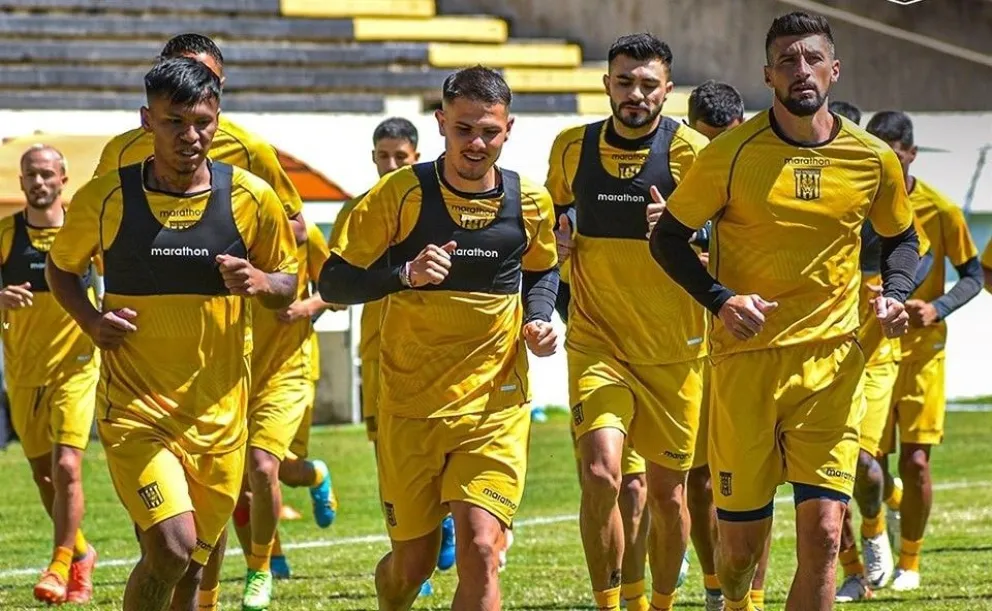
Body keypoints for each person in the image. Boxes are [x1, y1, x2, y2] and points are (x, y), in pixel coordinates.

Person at [651, 11, 920, 611]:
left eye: (812, 59)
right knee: (740, 553)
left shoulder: (872, 159)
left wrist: (896, 294)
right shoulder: (728, 155)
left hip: (831, 367)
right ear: (768, 75)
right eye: (788, 61)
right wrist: (722, 301)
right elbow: (666, 238)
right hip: (746, 367)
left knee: (824, 537)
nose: (802, 71)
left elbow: (903, 239)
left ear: (834, 68)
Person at [46, 57, 298, 611]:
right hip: (136, 411)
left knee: (190, 570)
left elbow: (287, 281)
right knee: (171, 548)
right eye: (174, 121)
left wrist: (257, 280)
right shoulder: (106, 197)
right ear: (147, 120)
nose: (191, 135)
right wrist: (90, 320)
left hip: (220, 417)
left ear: (218, 116)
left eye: (202, 121)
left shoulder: (252, 196)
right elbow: (61, 267)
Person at [93, 33, 333, 611]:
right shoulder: (122, 156)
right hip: (142, 367)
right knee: (163, 531)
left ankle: (217, 593)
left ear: (220, 94)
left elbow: (293, 235)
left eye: (209, 87)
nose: (191, 122)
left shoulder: (250, 153)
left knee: (211, 511)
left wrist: (257, 273)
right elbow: (96, 238)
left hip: (227, 360)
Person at [319, 65, 559, 611]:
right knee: (413, 565)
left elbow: (543, 271)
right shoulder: (399, 195)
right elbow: (333, 280)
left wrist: (539, 317)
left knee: (480, 549)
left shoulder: (529, 201)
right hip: (411, 407)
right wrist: (403, 275)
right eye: (463, 129)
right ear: (441, 123)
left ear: (509, 128)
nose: (477, 143)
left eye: (490, 131)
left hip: (493, 407)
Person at [547, 33, 709, 611]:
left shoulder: (692, 153)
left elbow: (732, 241)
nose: (635, 94)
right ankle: (611, 604)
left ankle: (658, 603)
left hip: (674, 351)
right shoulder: (571, 148)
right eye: (624, 82)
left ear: (667, 89)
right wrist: (559, 242)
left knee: (667, 496)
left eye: (648, 84)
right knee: (602, 475)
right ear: (607, 84)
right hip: (598, 342)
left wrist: (691, 230)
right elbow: (553, 220)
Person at [330, 117, 455, 596]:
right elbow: (336, 281)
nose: (390, 164)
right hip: (377, 353)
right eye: (383, 156)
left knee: (437, 447)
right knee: (391, 458)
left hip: (427, 352)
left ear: (416, 156)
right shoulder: (358, 211)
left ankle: (439, 525)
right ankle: (411, 552)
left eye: (400, 157)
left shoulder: (431, 207)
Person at [868, 110, 983, 592]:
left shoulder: (940, 209)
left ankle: (909, 562)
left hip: (923, 352)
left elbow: (975, 275)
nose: (888, 168)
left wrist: (937, 307)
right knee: (865, 462)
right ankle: (877, 527)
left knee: (916, 461)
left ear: (911, 154)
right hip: (870, 349)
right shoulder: (855, 205)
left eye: (896, 157)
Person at [680, 80, 775, 611]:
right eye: (704, 139)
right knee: (696, 476)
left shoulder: (764, 165)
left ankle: (753, 598)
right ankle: (716, 589)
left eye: (723, 138)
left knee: (752, 479)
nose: (713, 149)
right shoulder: (679, 169)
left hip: (751, 344)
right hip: (689, 345)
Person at [1, 144, 99, 604]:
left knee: (66, 466)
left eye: (46, 174)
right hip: (23, 373)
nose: (38, 182)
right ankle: (80, 555)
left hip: (76, 370)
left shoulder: (85, 235)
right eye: (29, 175)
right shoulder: (5, 235)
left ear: (63, 179)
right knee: (44, 478)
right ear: (21, 183)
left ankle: (60, 565)